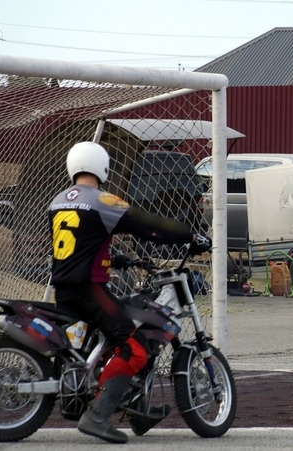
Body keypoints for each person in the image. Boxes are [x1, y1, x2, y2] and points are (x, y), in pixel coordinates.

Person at [48, 141, 211, 443]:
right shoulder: (101, 199)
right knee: (133, 348)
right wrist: (190, 235)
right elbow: (148, 225)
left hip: (64, 289)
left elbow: (81, 243)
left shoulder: (58, 200)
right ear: (102, 167)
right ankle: (97, 417)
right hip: (90, 291)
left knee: (116, 335)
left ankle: (137, 408)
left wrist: (115, 259)